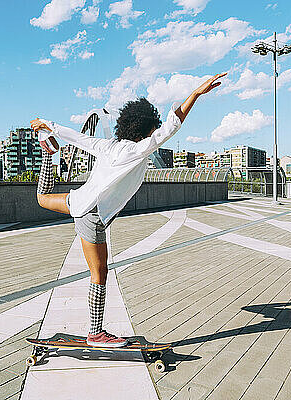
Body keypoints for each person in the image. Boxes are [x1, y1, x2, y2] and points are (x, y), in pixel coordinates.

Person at [30, 72, 227, 347]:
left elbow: (76, 137)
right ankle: (96, 333)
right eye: (151, 129)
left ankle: (48, 157)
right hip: (92, 217)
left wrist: (49, 124)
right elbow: (171, 126)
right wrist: (195, 93)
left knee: (42, 199)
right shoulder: (137, 150)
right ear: (145, 129)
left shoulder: (107, 145)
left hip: (77, 202)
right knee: (99, 274)